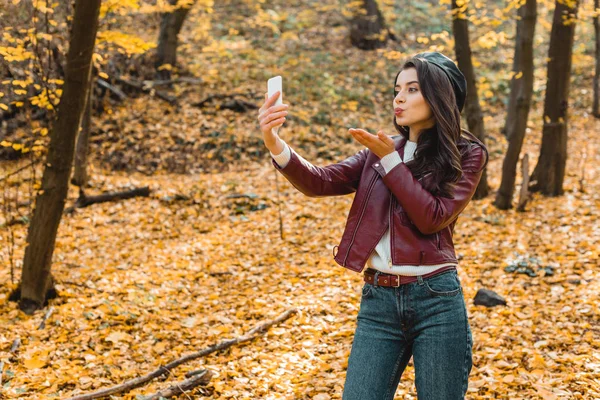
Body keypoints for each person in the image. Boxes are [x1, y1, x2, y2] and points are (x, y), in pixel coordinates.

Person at [257, 51, 488, 400]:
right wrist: (275, 143)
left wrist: (392, 161)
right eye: (397, 89)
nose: (399, 98)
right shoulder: (379, 151)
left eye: (412, 89)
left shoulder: (467, 153)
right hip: (378, 301)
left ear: (441, 95)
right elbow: (320, 181)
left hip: (436, 300)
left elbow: (433, 217)